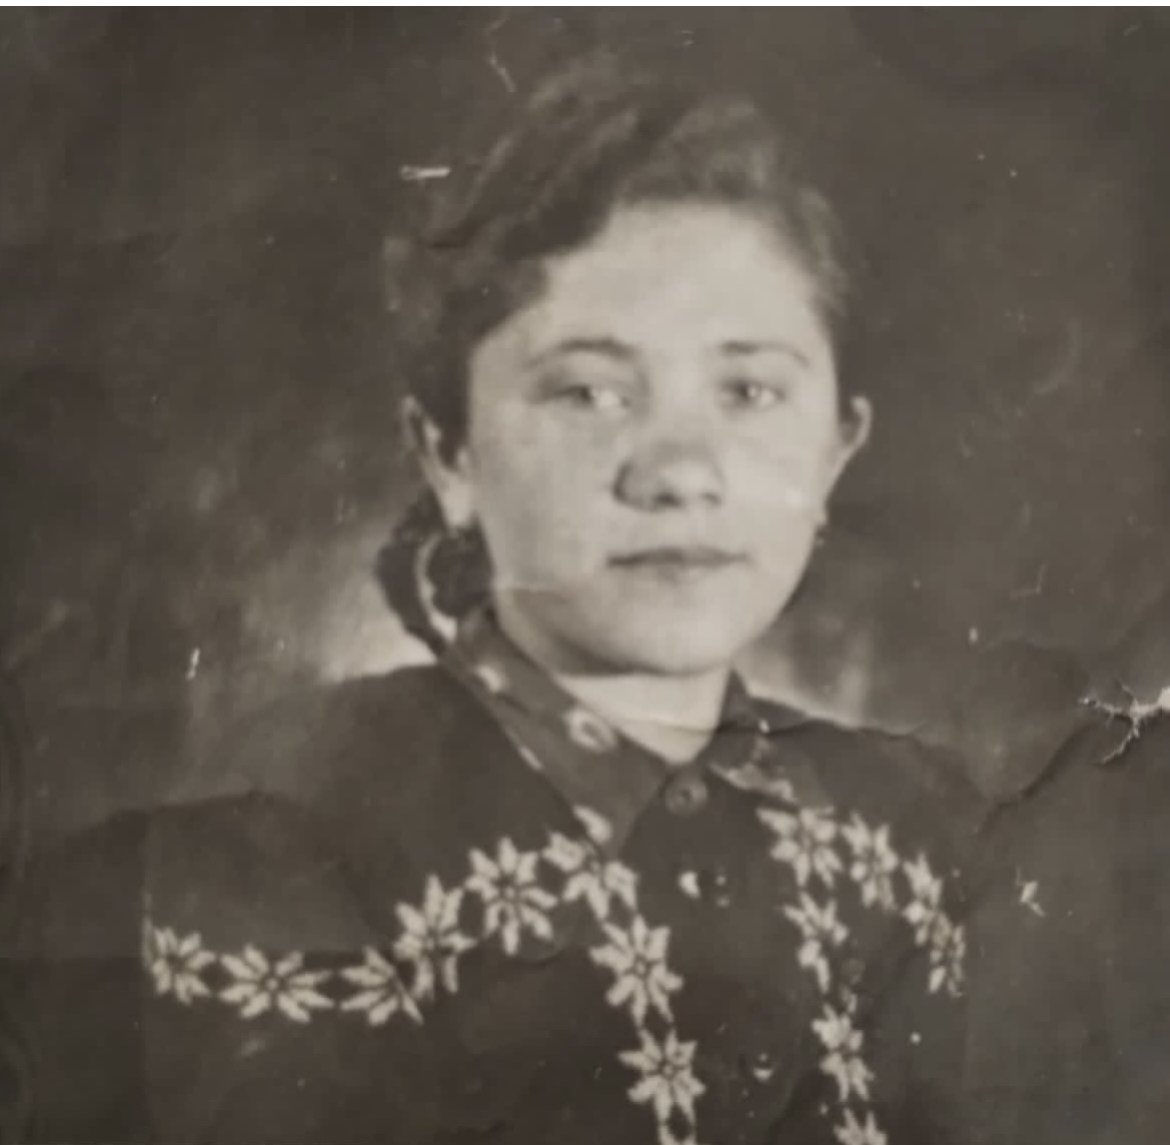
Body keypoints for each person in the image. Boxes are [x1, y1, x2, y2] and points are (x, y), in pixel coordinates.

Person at [3, 58, 997, 1145]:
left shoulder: (937, 830)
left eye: (750, 389)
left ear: (837, 447)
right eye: (589, 391)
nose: (679, 471)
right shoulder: (268, 851)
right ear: (450, 453)